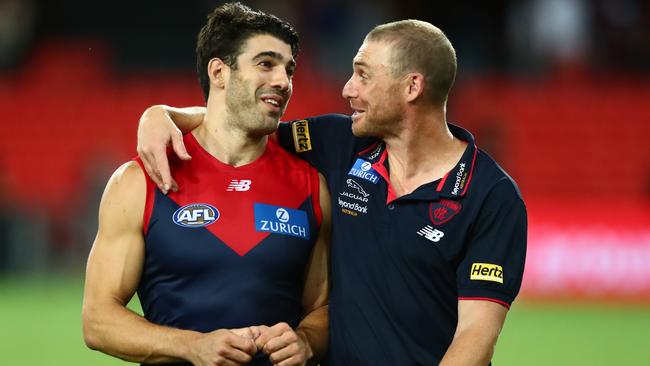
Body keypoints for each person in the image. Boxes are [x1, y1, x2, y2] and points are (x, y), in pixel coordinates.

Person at [137, 19, 527, 366]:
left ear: (412, 87)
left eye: (363, 75)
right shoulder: (340, 142)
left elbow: (476, 337)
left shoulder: (490, 196)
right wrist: (163, 115)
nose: (347, 88)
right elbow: (239, 118)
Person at [82, 3, 331, 366]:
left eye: (289, 69)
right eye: (266, 63)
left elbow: (324, 308)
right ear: (219, 72)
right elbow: (97, 321)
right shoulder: (141, 181)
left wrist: (307, 339)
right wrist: (191, 346)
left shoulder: (310, 185)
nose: (283, 80)